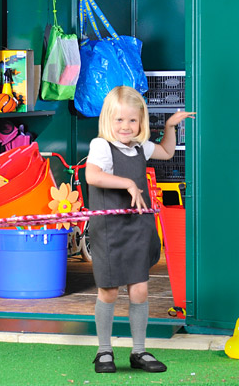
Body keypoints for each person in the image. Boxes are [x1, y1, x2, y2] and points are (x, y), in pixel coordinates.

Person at [85, 86, 195, 374]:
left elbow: (168, 152)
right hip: (110, 229)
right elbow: (92, 175)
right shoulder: (101, 145)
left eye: (132, 120)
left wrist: (170, 126)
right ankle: (104, 351)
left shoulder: (139, 146)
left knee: (140, 290)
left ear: (141, 122)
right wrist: (129, 184)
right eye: (119, 120)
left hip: (137, 226)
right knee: (108, 291)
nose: (125, 127)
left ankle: (139, 351)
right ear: (108, 120)